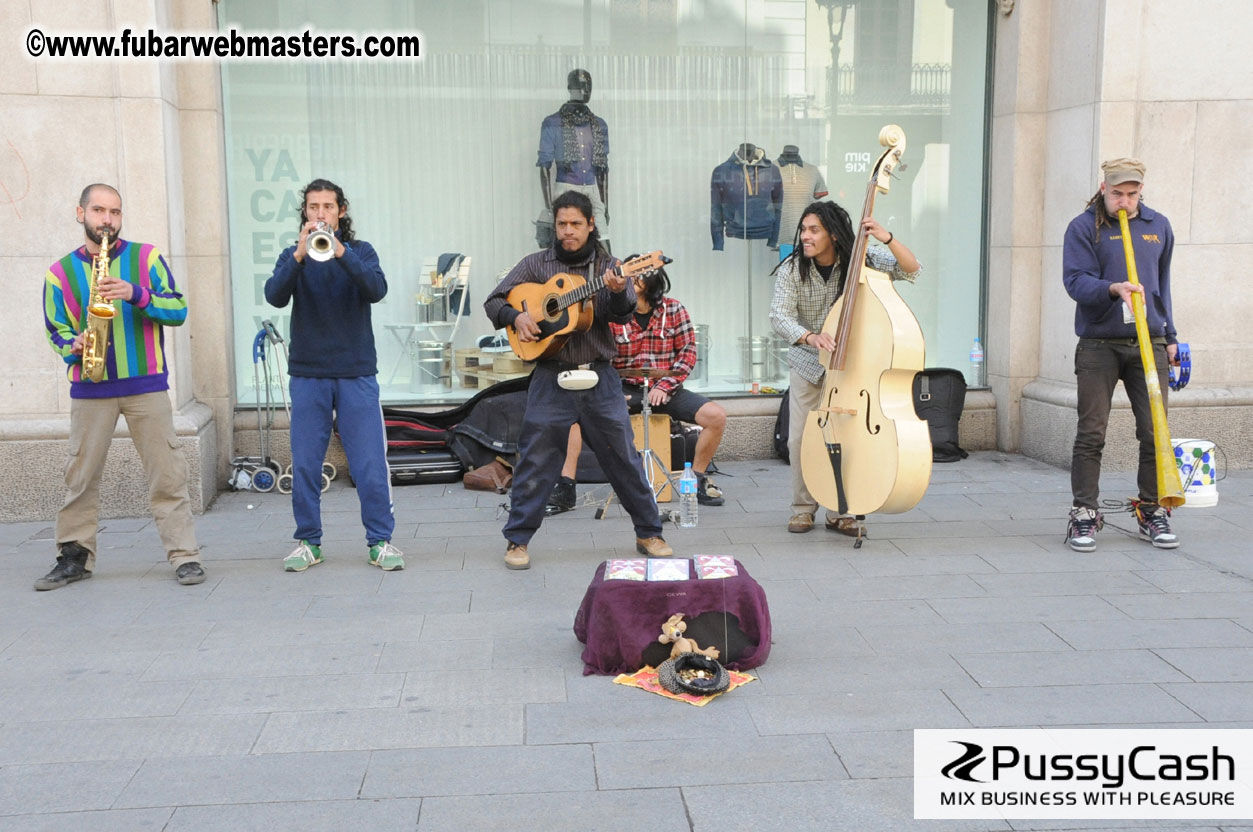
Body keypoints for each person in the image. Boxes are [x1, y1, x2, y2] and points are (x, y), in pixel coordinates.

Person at [484, 190, 673, 570]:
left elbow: (620, 317)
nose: (568, 232)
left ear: (590, 225)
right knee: (536, 459)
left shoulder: (609, 267)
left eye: (575, 224)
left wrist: (619, 292)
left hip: (599, 376)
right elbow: (494, 301)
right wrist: (515, 317)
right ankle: (517, 540)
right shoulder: (537, 265)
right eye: (562, 224)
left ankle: (649, 532)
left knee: (622, 457)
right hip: (551, 377)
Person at [37, 183, 205, 590]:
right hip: (90, 385)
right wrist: (71, 344)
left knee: (167, 473)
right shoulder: (59, 273)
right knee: (81, 476)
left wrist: (135, 293)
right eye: (98, 211)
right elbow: (54, 328)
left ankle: (184, 556)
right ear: (81, 214)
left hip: (145, 385)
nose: (107, 220)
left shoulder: (146, 258)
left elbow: (178, 309)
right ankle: (74, 557)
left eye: (114, 212)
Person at [265, 178, 404, 573]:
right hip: (308, 373)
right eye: (313, 207)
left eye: (328, 207)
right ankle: (309, 541)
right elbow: (274, 295)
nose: (320, 214)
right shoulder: (293, 256)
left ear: (341, 211)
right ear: (304, 212)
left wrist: (340, 251)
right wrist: (298, 256)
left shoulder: (361, 251)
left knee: (369, 464)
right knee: (306, 463)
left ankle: (380, 541)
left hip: (356, 371)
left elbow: (376, 289)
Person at [769, 200, 922, 535]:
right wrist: (811, 337)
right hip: (809, 363)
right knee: (800, 440)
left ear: (833, 235)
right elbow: (779, 317)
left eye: (814, 230)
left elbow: (911, 269)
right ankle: (802, 508)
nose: (805, 237)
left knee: (851, 439)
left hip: (854, 368)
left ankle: (843, 510)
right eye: (804, 230)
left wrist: (887, 237)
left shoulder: (861, 260)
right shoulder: (792, 269)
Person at [1062, 158, 1180, 552]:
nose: (1125, 202)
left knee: (1153, 430)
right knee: (1091, 432)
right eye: (1117, 194)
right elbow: (1075, 282)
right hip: (1099, 343)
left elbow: (1161, 284)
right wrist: (1112, 289)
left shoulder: (1157, 226)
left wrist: (1172, 336)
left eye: (1132, 194)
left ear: (1140, 191)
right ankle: (1084, 513)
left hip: (1150, 341)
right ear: (1103, 189)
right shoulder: (1084, 228)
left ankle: (1151, 508)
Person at [546, 265, 727, 513]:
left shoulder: (674, 309)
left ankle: (696, 479)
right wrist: (609, 390)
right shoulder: (612, 312)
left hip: (665, 387)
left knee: (716, 416)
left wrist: (666, 385)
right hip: (621, 386)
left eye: (636, 275)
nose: (629, 278)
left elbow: (687, 353)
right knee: (573, 417)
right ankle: (566, 486)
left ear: (652, 281)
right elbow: (599, 356)